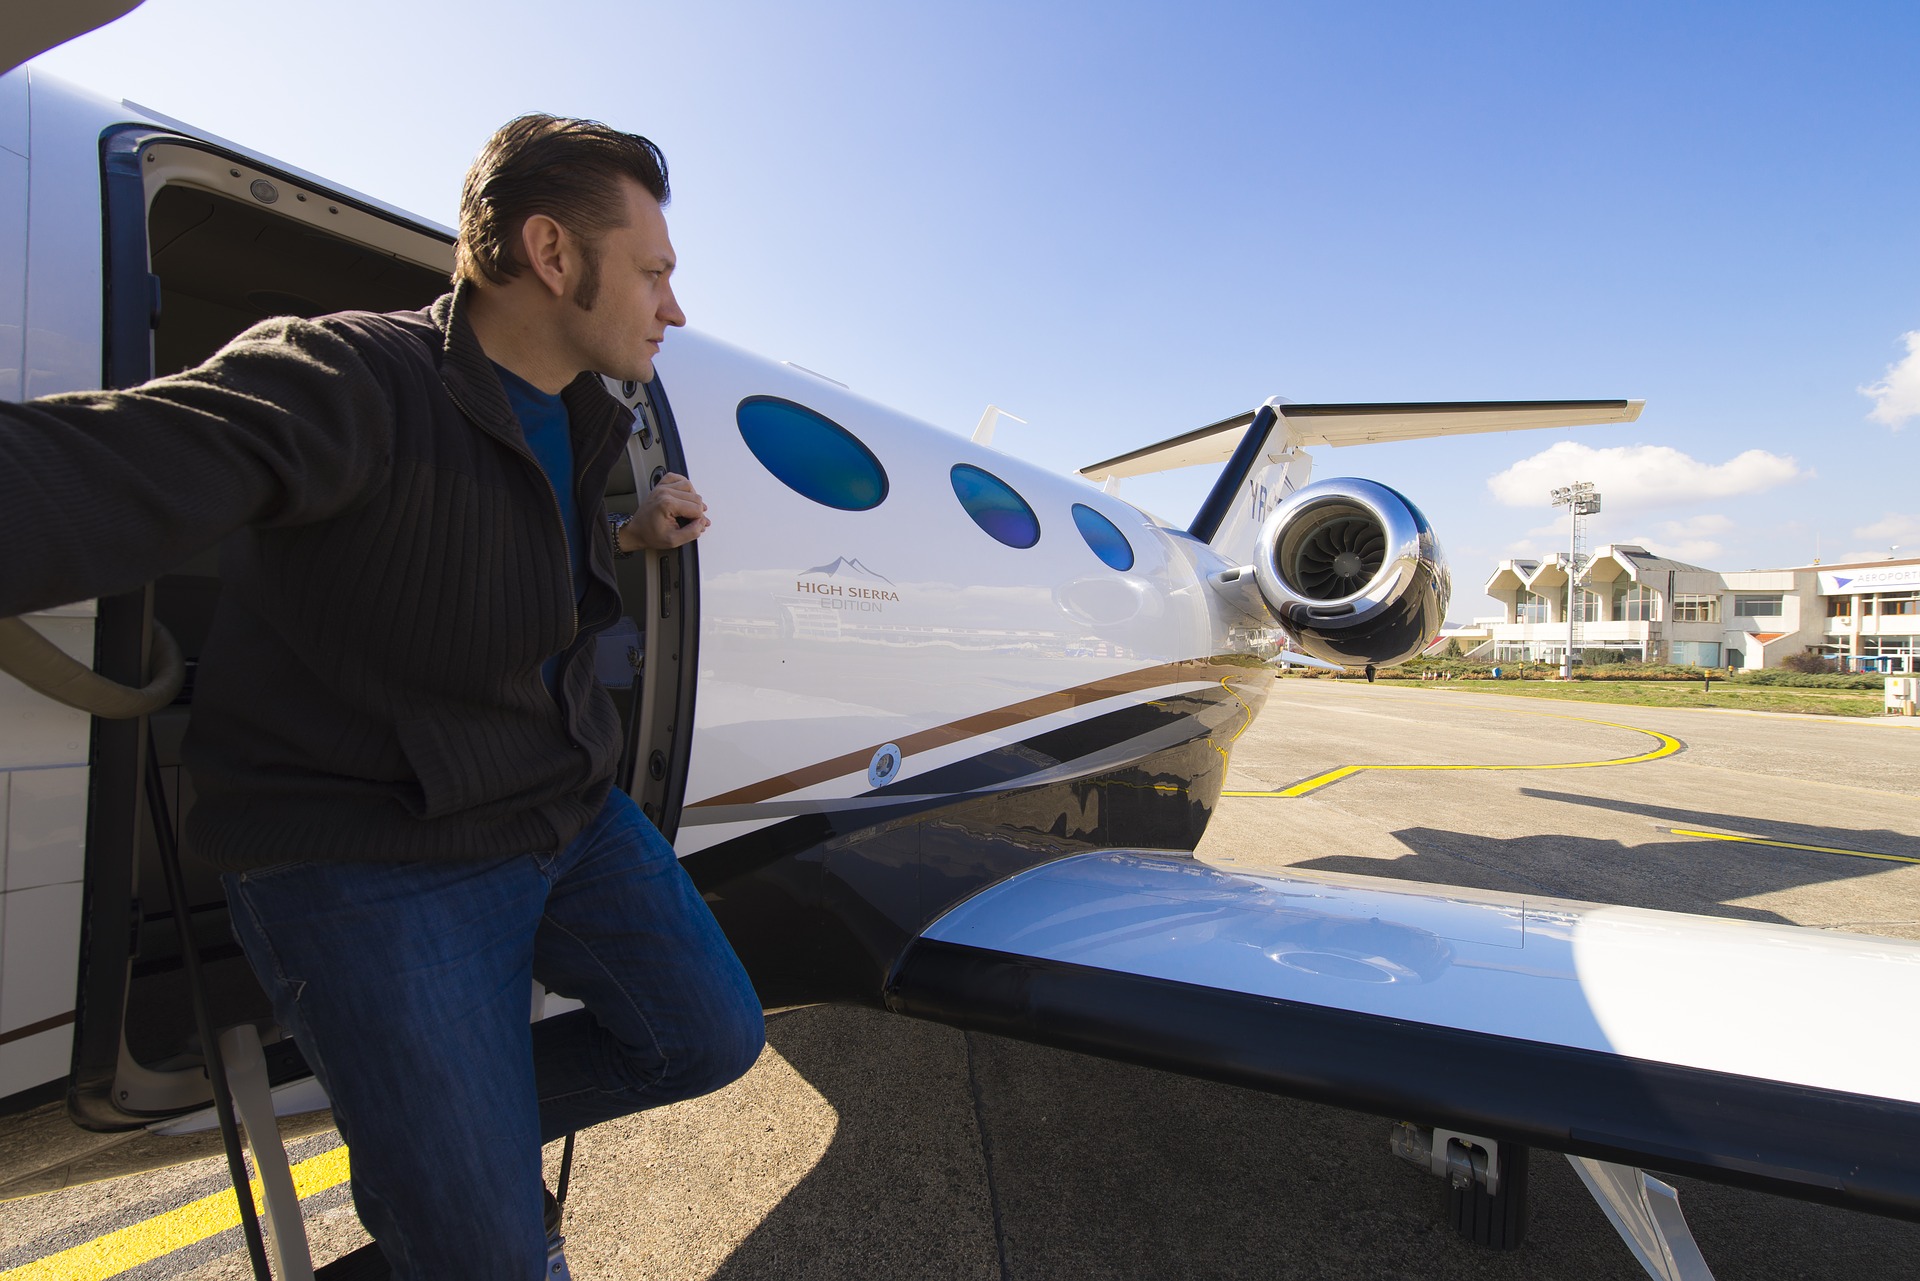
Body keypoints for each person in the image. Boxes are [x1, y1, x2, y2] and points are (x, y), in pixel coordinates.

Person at [0, 115, 764, 1278]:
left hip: (559, 811)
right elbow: (115, 465)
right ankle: (449, 1190)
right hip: (374, 856)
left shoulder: (584, 416)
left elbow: (487, 550)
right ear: (553, 254)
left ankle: (438, 1156)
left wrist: (630, 533)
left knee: (710, 1039)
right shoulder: (350, 374)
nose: (674, 307)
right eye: (655, 272)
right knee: (493, 1257)